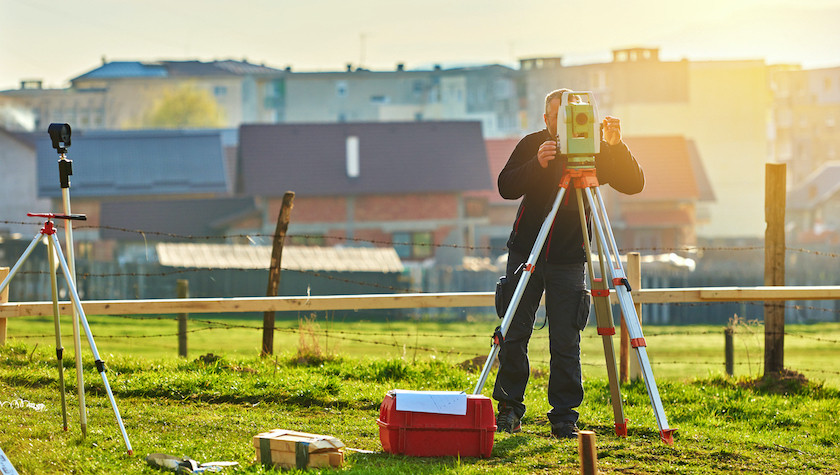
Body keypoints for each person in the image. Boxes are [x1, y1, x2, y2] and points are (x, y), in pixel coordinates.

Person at [494, 88, 644, 439]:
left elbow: (634, 184)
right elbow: (505, 187)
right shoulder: (533, 144)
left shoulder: (593, 148)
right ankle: (509, 410)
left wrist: (616, 145)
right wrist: (537, 164)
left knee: (566, 340)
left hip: (569, 257)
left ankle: (564, 417)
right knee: (514, 334)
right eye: (557, 117)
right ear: (546, 120)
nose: (565, 124)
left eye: (572, 116)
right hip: (525, 252)